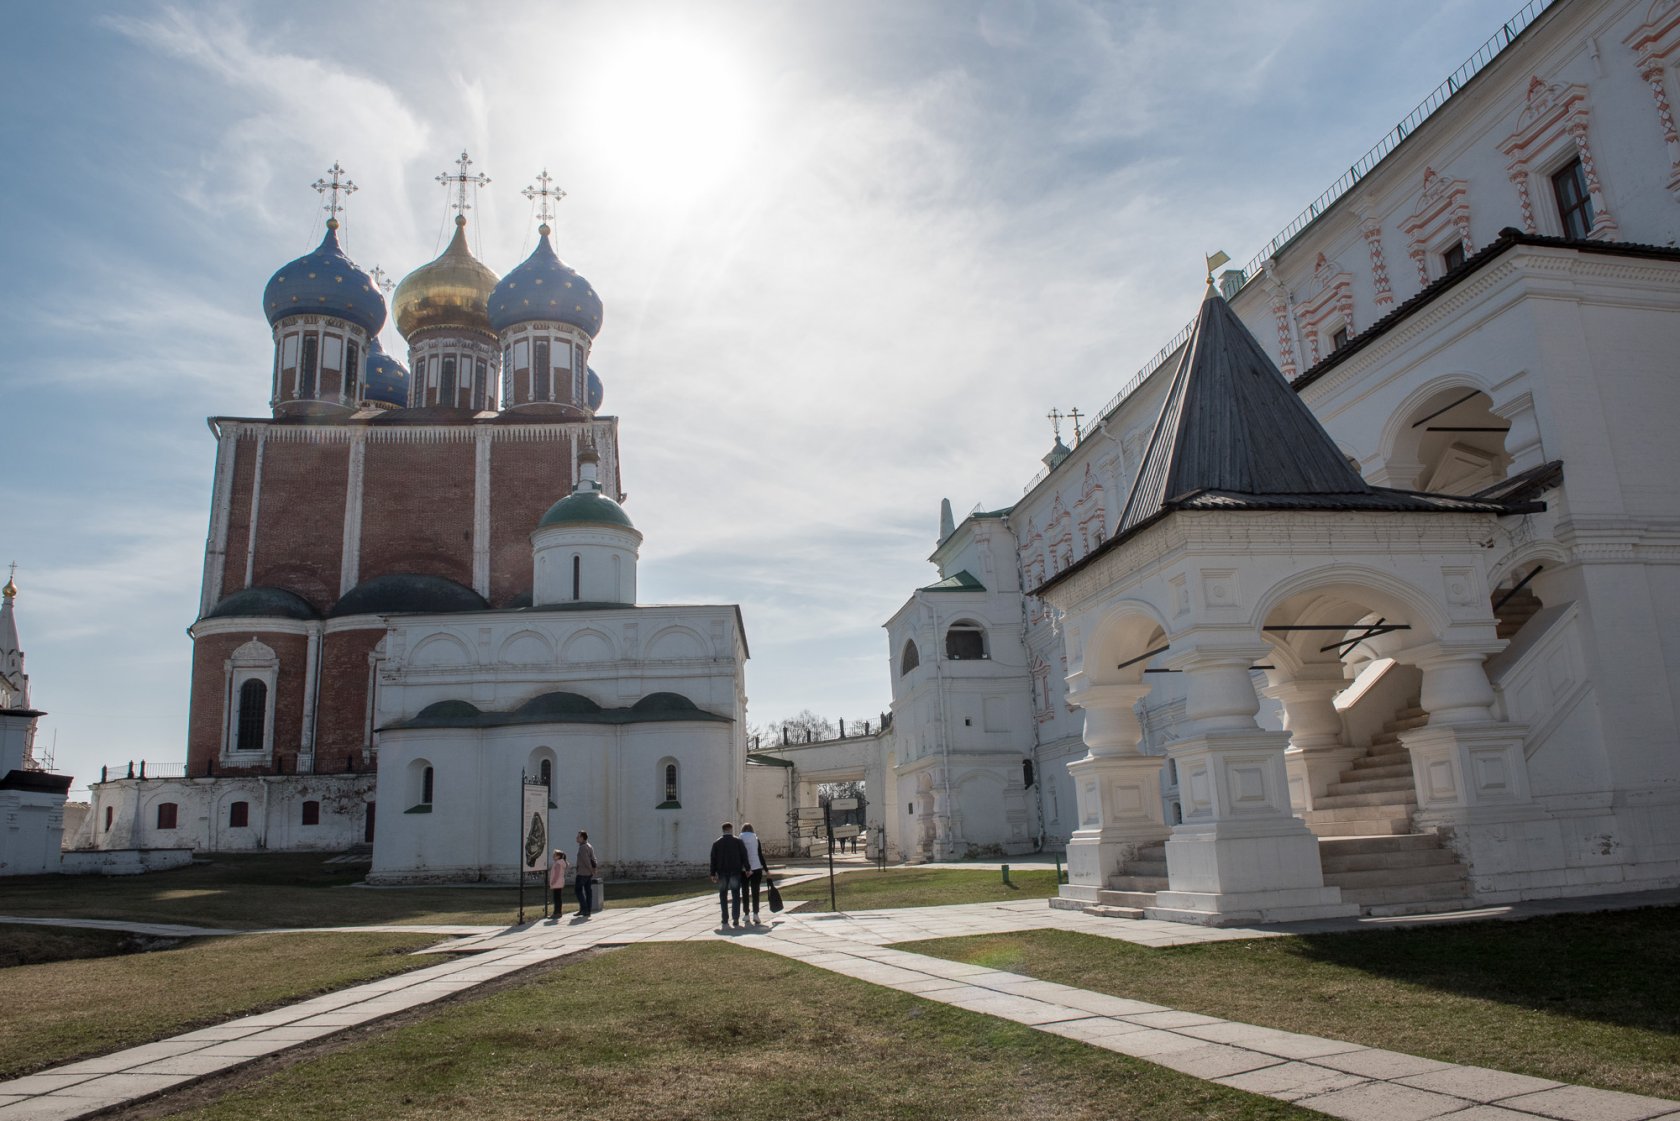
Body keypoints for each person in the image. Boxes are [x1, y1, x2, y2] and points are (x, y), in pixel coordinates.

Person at [709, 822, 750, 929]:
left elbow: (713, 859)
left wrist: (712, 873)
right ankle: (735, 918)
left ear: (723, 830)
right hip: (735, 871)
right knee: (735, 894)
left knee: (723, 895)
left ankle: (725, 918)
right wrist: (747, 868)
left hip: (722, 872)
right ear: (731, 829)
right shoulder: (738, 842)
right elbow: (744, 855)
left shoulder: (717, 843)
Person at [739, 822, 767, 924]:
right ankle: (756, 913)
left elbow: (740, 854)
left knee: (745, 891)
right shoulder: (756, 838)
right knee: (755, 891)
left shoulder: (740, 838)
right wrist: (766, 869)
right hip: (756, 867)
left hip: (744, 869)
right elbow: (760, 854)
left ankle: (746, 914)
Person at [574, 831, 598, 919]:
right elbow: (594, 858)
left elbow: (586, 860)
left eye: (578, 836)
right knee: (588, 891)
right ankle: (587, 910)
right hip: (588, 873)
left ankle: (585, 909)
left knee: (578, 890)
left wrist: (591, 869)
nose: (577, 837)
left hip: (583, 873)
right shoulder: (589, 846)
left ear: (583, 838)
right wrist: (593, 869)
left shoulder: (583, 848)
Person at [547, 848, 568, 920]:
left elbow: (556, 874)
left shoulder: (558, 863)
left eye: (554, 855)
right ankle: (558, 912)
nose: (553, 856)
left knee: (556, 898)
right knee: (558, 898)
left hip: (556, 883)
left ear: (558, 856)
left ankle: (556, 912)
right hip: (559, 883)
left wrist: (552, 882)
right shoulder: (560, 863)